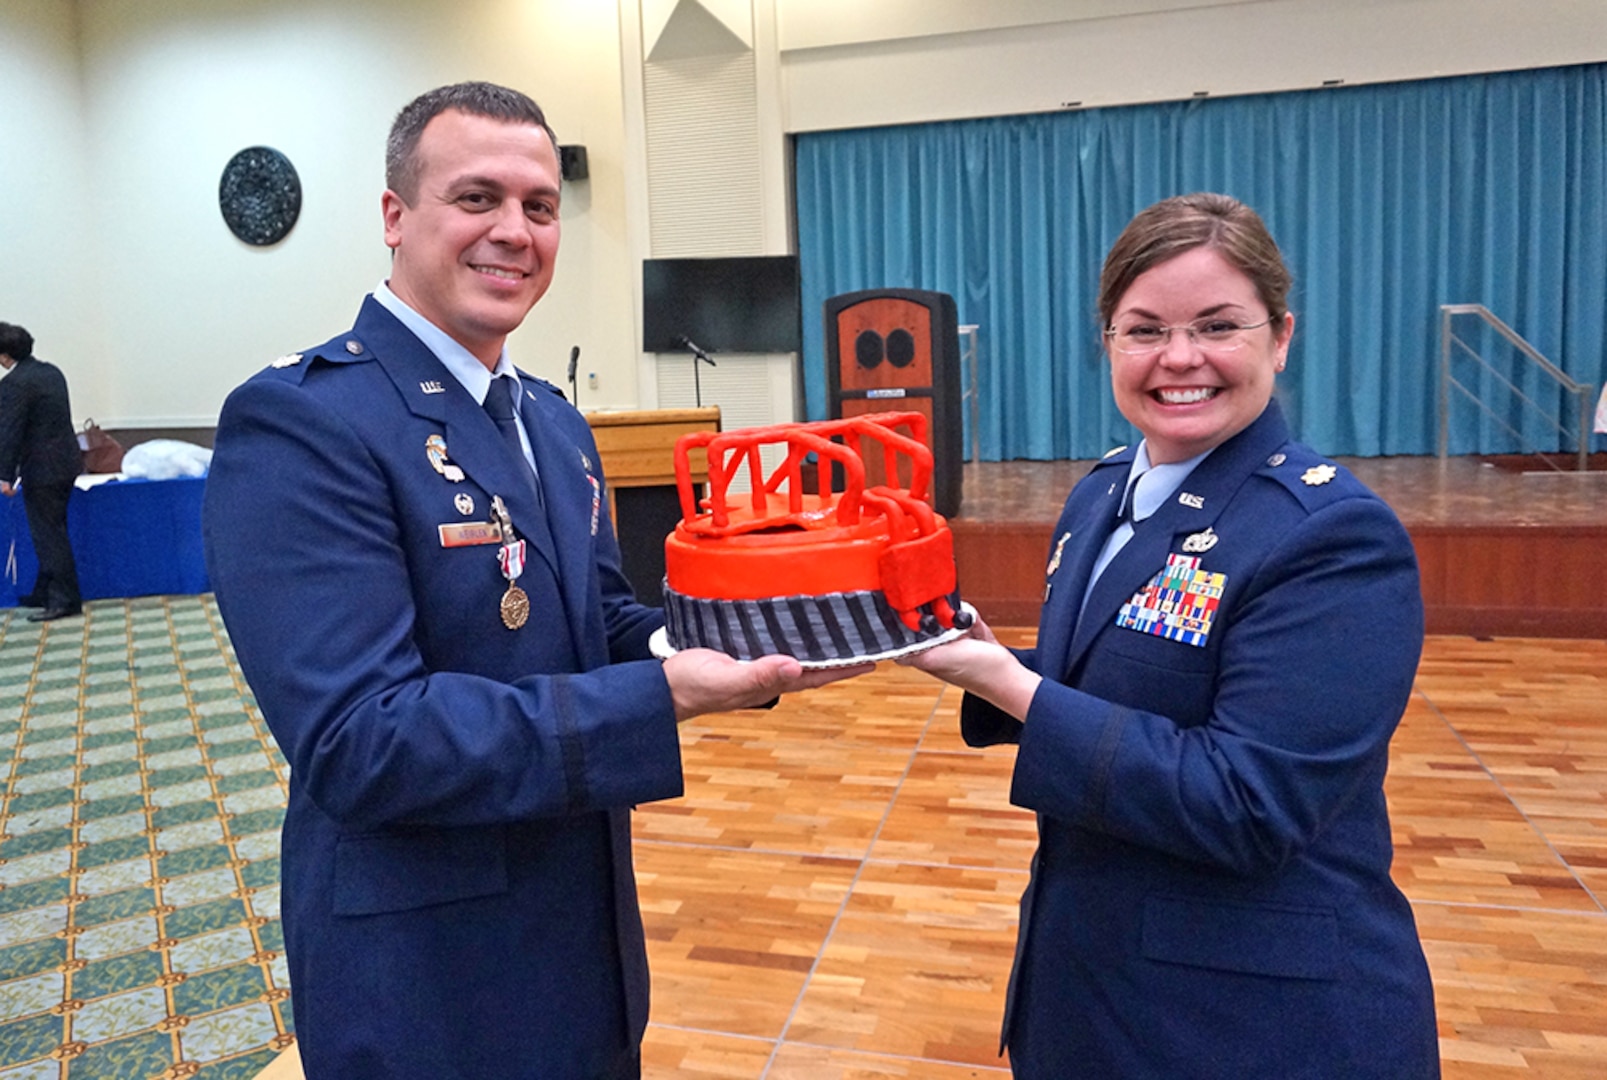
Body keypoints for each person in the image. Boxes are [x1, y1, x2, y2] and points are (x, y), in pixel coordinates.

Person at [203, 82, 863, 1079]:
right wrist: (662, 695)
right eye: (477, 199)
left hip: (582, 944)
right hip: (431, 973)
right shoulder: (304, 423)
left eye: (540, 206)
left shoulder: (551, 420)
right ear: (394, 216)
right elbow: (359, 743)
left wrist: (734, 637)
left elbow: (594, 615)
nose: (514, 231)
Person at [907, 193, 1439, 1077]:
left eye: (1217, 325)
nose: (1179, 358)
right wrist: (969, 659)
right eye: (1143, 329)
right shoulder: (1101, 492)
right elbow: (1125, 685)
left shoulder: (1331, 535)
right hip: (1091, 990)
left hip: (1248, 1022)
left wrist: (1010, 688)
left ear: (1279, 336)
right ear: (1107, 344)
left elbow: (1248, 802)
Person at [0, 321, 83, 622]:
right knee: (53, 530)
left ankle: (64, 599)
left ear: (5, 355)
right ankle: (45, 591)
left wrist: (4, 475)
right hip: (67, 462)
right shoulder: (52, 372)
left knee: (48, 536)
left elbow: (8, 433)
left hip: (42, 469)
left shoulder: (13, 385)